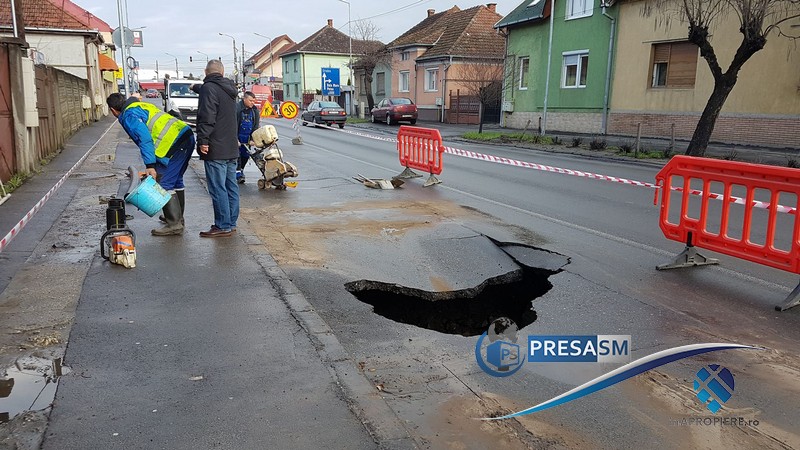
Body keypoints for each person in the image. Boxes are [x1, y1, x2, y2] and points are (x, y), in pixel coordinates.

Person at [106, 92, 195, 236]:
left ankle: (174, 224)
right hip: (185, 136)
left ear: (113, 110)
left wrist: (150, 165)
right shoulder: (139, 105)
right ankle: (176, 217)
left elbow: (145, 139)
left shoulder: (129, 116)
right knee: (176, 180)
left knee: (165, 184)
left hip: (175, 144)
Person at [195, 59, 240, 238]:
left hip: (216, 147)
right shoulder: (230, 90)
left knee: (217, 188)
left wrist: (203, 140)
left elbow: (207, 116)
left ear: (206, 72)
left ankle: (222, 225)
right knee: (231, 186)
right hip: (230, 146)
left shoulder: (208, 88)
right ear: (221, 72)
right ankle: (231, 222)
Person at [235, 91, 261, 184]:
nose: (252, 103)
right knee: (236, 156)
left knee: (245, 155)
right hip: (238, 136)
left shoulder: (254, 111)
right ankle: (238, 174)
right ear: (244, 99)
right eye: (250, 101)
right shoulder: (237, 108)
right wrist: (235, 139)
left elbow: (255, 126)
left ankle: (241, 170)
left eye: (253, 101)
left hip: (247, 139)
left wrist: (253, 139)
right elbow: (233, 125)